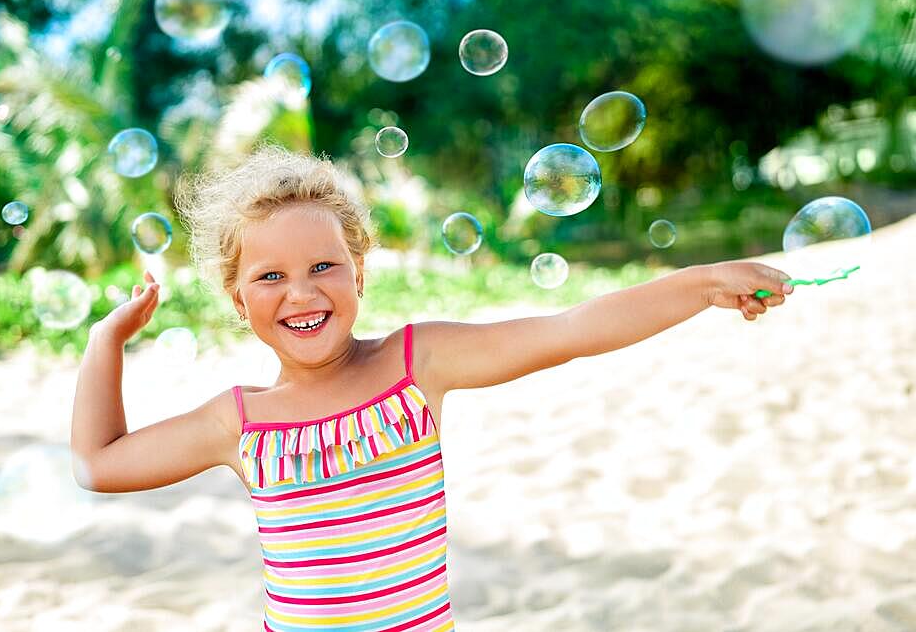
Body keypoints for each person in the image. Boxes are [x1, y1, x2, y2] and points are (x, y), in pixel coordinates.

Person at [70, 145, 792, 631]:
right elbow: (100, 462)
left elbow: (570, 329)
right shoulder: (240, 423)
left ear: (359, 271)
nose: (300, 293)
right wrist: (108, 340)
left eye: (323, 265)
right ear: (238, 299)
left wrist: (703, 283)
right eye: (269, 277)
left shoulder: (416, 365)